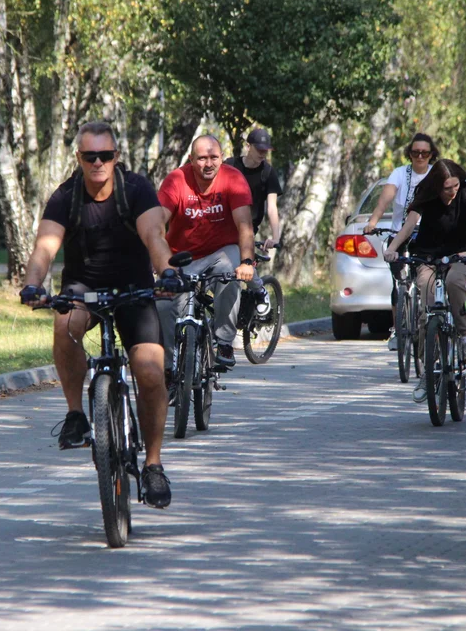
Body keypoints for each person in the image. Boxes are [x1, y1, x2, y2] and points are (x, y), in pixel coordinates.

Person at [20, 121, 177, 508]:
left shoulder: (135, 189)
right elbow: (45, 247)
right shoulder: (66, 197)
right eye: (90, 156)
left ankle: (153, 465)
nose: (98, 163)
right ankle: (76, 414)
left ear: (116, 157)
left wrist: (168, 272)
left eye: (105, 156)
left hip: (134, 288)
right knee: (64, 325)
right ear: (79, 158)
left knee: (150, 372)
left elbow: (154, 236)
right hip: (83, 288)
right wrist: (33, 283)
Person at [383, 160, 466, 401]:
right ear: (436, 187)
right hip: (429, 256)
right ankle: (428, 372)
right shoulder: (426, 194)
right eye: (447, 188)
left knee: (453, 282)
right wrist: (394, 248)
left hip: (462, 255)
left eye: (455, 186)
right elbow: (409, 225)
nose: (452, 192)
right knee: (426, 309)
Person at [157, 135, 256, 370]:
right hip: (182, 257)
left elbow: (244, 225)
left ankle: (223, 342)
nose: (208, 163)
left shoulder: (233, 179)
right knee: (163, 305)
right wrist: (160, 261)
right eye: (202, 158)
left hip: (222, 252)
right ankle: (169, 368)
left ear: (222, 158)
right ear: (191, 159)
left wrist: (247, 262)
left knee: (229, 273)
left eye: (213, 157)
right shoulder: (176, 180)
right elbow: (157, 221)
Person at [363, 133, 439, 350]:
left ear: (431, 154)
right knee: (399, 283)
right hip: (400, 234)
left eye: (425, 153)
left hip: (428, 234)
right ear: (410, 154)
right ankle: (398, 330)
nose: (420, 157)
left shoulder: (436, 174)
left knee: (429, 282)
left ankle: (432, 326)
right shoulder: (399, 173)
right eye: (416, 152)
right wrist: (374, 220)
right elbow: (385, 198)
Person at [225, 128, 283, 249]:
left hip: (248, 228)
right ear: (248, 146)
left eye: (265, 150)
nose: (262, 154)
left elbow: (272, 207)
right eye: (259, 150)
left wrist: (276, 238)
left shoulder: (268, 172)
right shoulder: (229, 165)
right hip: (223, 225)